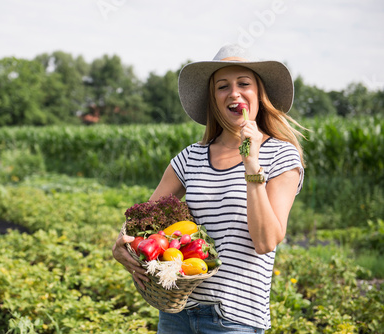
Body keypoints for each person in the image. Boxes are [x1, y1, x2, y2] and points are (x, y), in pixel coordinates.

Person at [112, 44, 305, 333]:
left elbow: (265, 242)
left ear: (259, 93)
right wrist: (122, 246)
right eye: (222, 86)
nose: (234, 93)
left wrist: (251, 164)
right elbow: (142, 224)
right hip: (178, 313)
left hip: (235, 319)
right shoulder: (191, 157)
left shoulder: (281, 156)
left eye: (244, 83)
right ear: (213, 99)